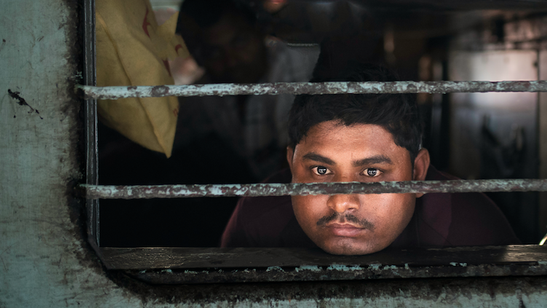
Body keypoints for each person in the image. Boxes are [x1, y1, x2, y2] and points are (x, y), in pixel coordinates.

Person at [221, 65, 518, 255]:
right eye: (321, 170)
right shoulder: (258, 220)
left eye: (372, 171)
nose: (341, 202)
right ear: (291, 167)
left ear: (417, 173)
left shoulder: (471, 235)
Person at [175, 0, 319, 182]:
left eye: (240, 41)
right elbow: (168, 131)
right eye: (213, 52)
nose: (232, 60)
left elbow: (298, 167)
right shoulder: (209, 90)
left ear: (260, 31)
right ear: (197, 56)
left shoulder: (300, 70)